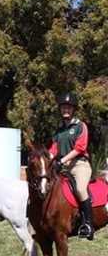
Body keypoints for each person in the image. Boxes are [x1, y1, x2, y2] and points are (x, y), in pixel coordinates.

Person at [49, 92, 93, 239]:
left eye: (68, 107)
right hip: (63, 167)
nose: (65, 110)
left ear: (73, 109)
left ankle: (88, 224)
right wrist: (46, 161)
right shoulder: (60, 129)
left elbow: (80, 148)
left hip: (80, 165)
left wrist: (62, 160)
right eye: (63, 107)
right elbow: (54, 149)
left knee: (80, 189)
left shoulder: (81, 126)